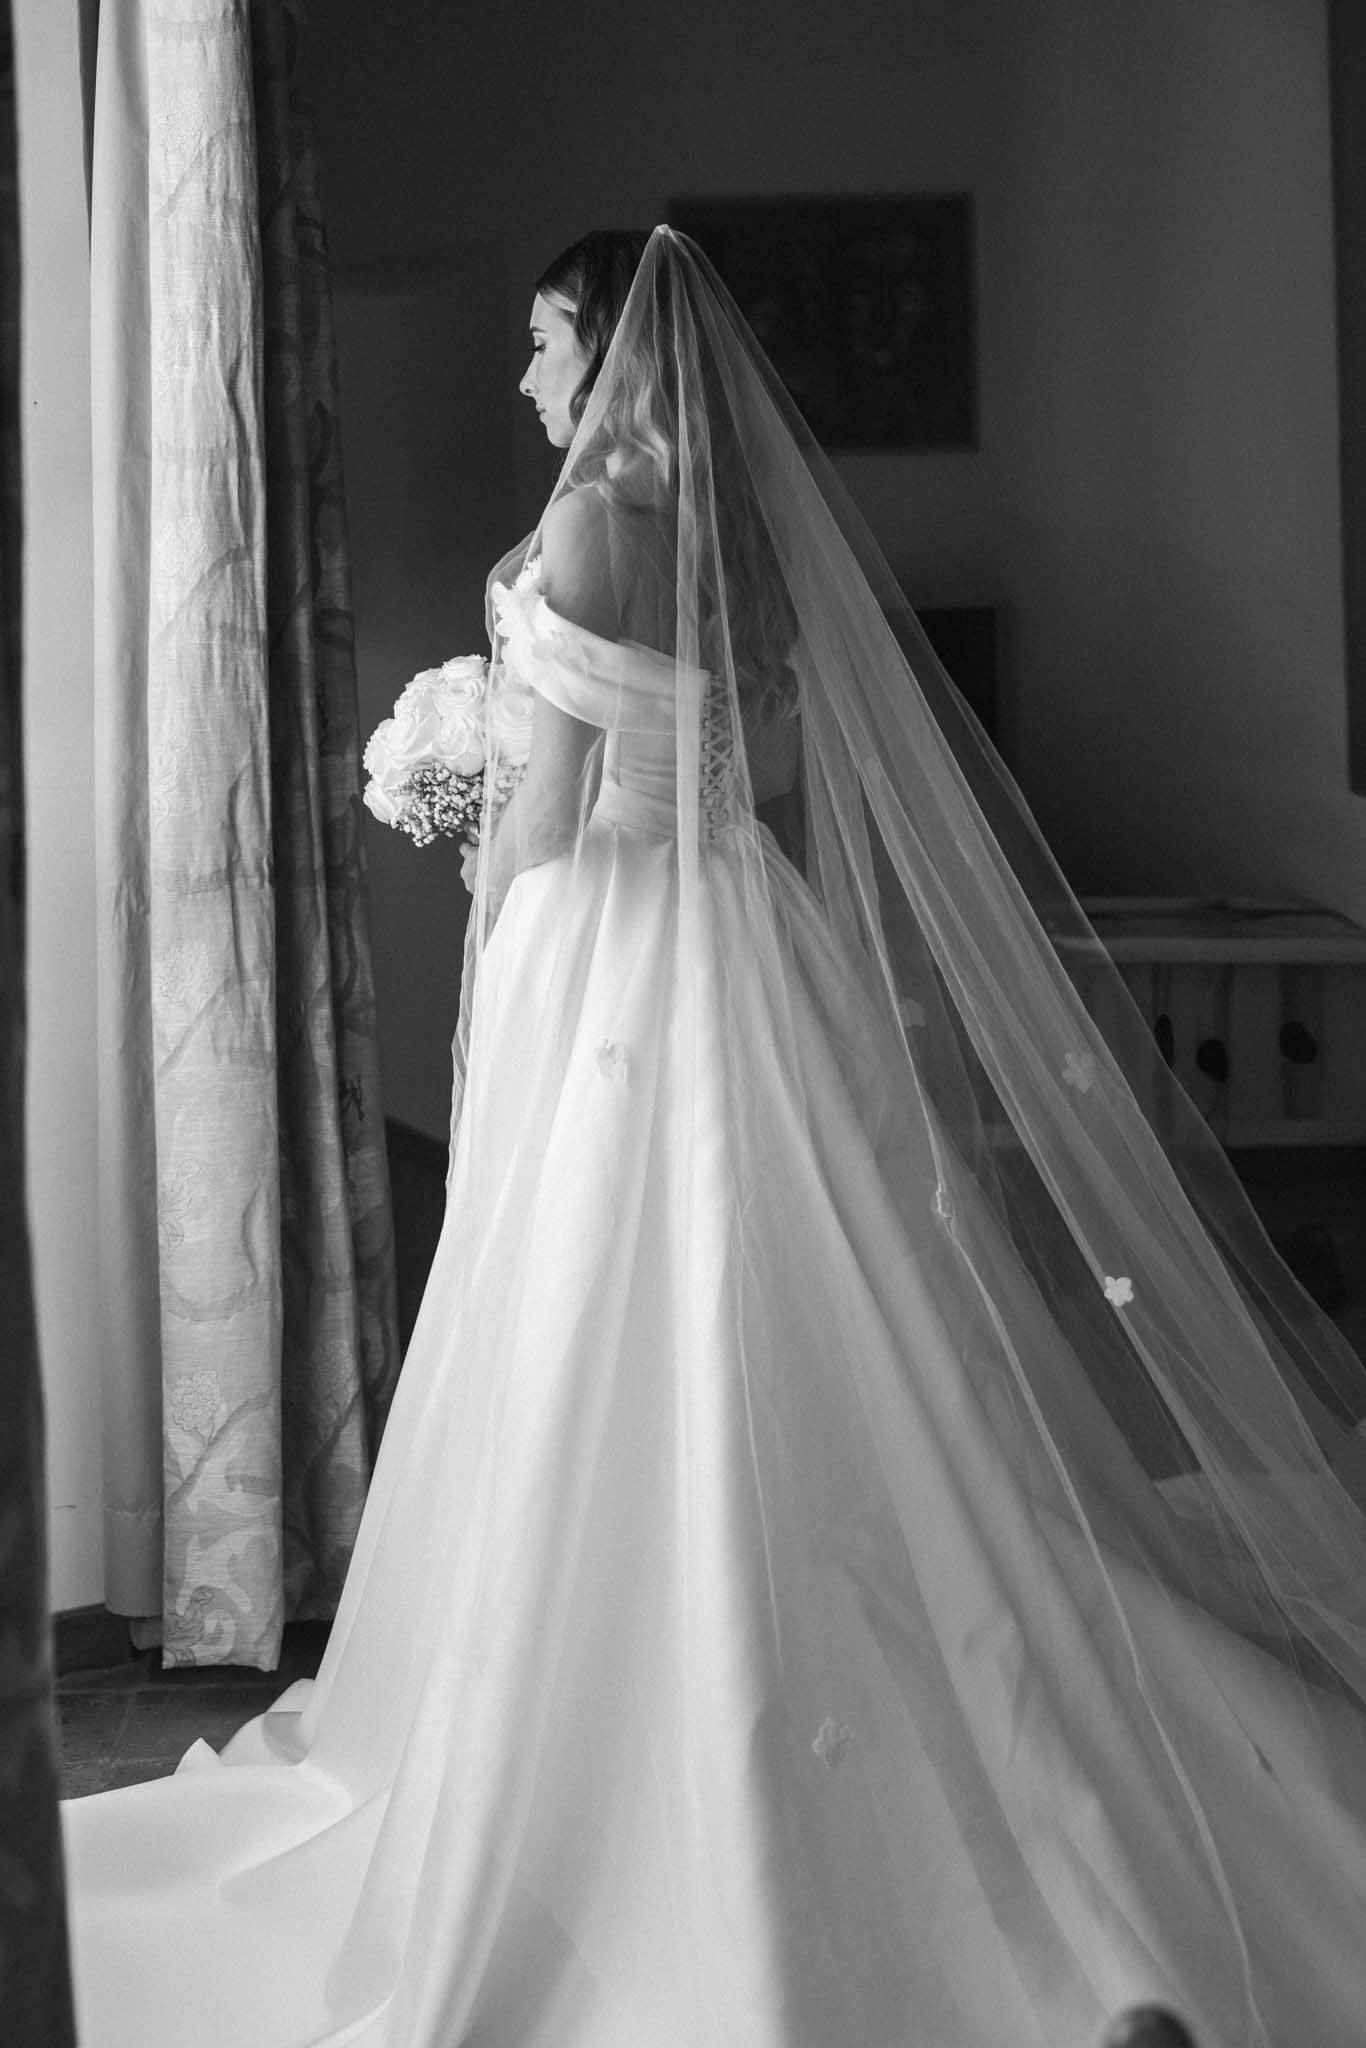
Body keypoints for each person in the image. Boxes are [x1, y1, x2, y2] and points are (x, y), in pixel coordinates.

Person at [62, 226, 1366, 2048]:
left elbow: (543, 817)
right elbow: (754, 773)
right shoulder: (737, 535)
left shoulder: (595, 527)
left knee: (605, 1303)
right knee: (783, 1305)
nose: (525, 375)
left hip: (616, 959)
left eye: (538, 343)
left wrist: (481, 878)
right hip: (742, 947)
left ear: (604, 346)